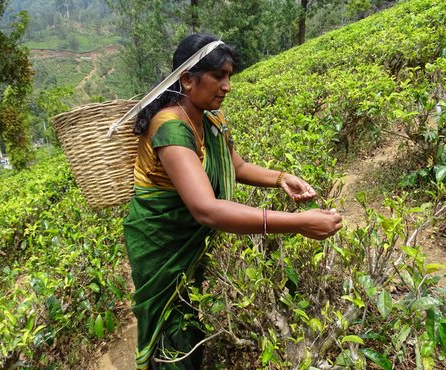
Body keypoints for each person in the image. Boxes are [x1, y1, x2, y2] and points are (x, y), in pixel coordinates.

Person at [122, 33, 343, 370]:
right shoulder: (170, 128)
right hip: (161, 242)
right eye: (218, 76)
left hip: (188, 239)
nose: (227, 86)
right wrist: (298, 223)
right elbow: (206, 209)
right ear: (187, 80)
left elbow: (236, 166)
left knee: (188, 311)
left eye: (229, 77)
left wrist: (281, 178)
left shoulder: (211, 117)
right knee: (172, 325)